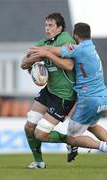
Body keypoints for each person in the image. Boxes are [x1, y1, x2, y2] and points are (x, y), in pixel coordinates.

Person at [27, 22, 107, 168]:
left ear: (75, 35)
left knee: (71, 138)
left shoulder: (79, 50)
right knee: (92, 125)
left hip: (88, 100)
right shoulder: (91, 47)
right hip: (102, 99)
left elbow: (55, 51)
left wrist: (43, 51)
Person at [21, 12, 76, 169]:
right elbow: (23, 64)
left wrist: (46, 53)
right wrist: (33, 58)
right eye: (46, 25)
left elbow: (69, 66)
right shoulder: (43, 42)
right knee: (29, 126)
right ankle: (39, 162)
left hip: (64, 96)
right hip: (49, 91)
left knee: (40, 134)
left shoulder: (65, 39)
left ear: (59, 28)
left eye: (51, 25)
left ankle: (71, 141)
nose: (47, 28)